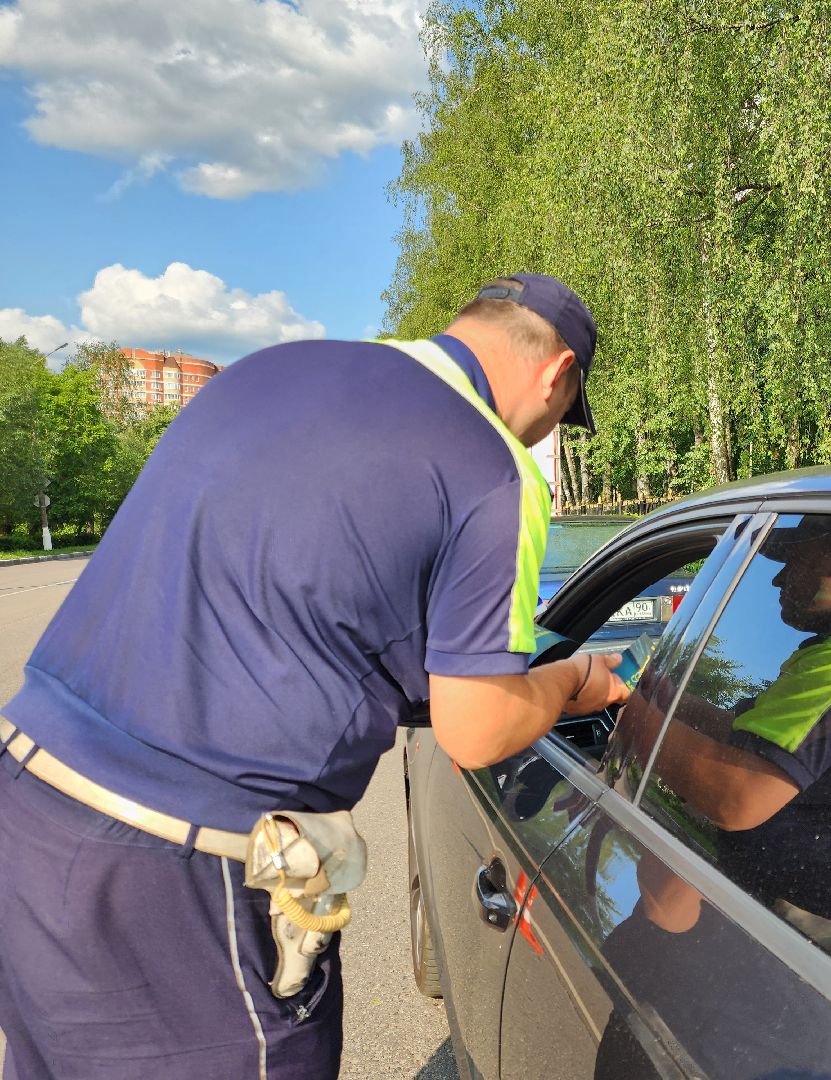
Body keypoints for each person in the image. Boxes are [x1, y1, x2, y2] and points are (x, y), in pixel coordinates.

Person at [0, 273, 631, 1079]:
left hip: (26, 803)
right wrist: (577, 681)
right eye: (561, 416)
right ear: (558, 372)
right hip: (176, 881)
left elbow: (294, 607)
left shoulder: (272, 371)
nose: (547, 432)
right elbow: (478, 730)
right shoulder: (493, 468)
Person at [616, 514, 831, 1032]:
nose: (778, 579)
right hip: (816, 972)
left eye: (794, 560)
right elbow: (745, 737)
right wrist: (661, 695)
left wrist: (629, 715)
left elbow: (736, 796)